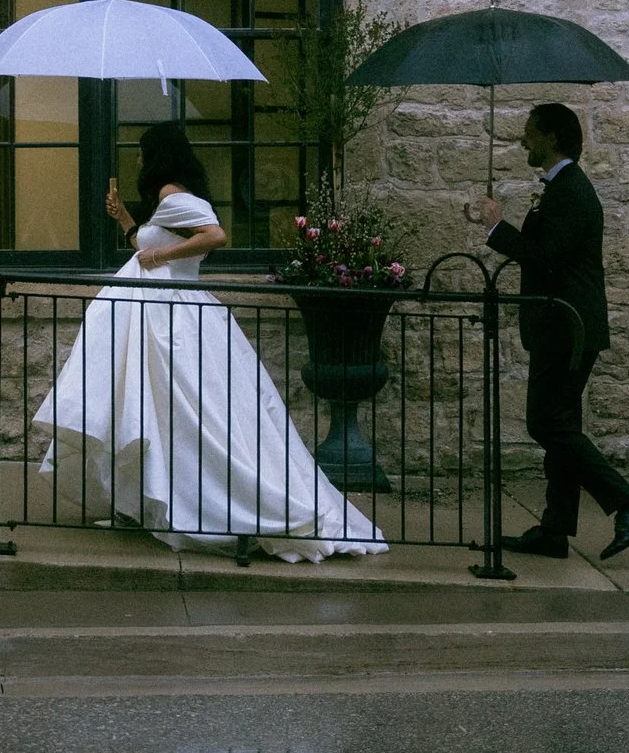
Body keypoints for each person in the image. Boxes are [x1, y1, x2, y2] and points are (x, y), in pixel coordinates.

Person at [35, 121, 388, 563]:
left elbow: (214, 236)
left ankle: (210, 503)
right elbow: (151, 246)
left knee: (184, 413)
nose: (139, 160)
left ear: (158, 155)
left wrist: (159, 254)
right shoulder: (168, 201)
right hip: (158, 313)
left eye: (143, 152)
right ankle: (144, 502)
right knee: (161, 414)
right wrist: (127, 221)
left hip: (172, 318)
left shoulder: (171, 194)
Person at [468, 103, 629, 560]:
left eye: (530, 133)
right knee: (561, 424)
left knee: (547, 423)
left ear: (552, 138)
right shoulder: (557, 188)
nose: (523, 141)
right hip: (558, 325)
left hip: (568, 328)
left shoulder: (572, 190)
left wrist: (496, 226)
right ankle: (554, 530)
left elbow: (546, 256)